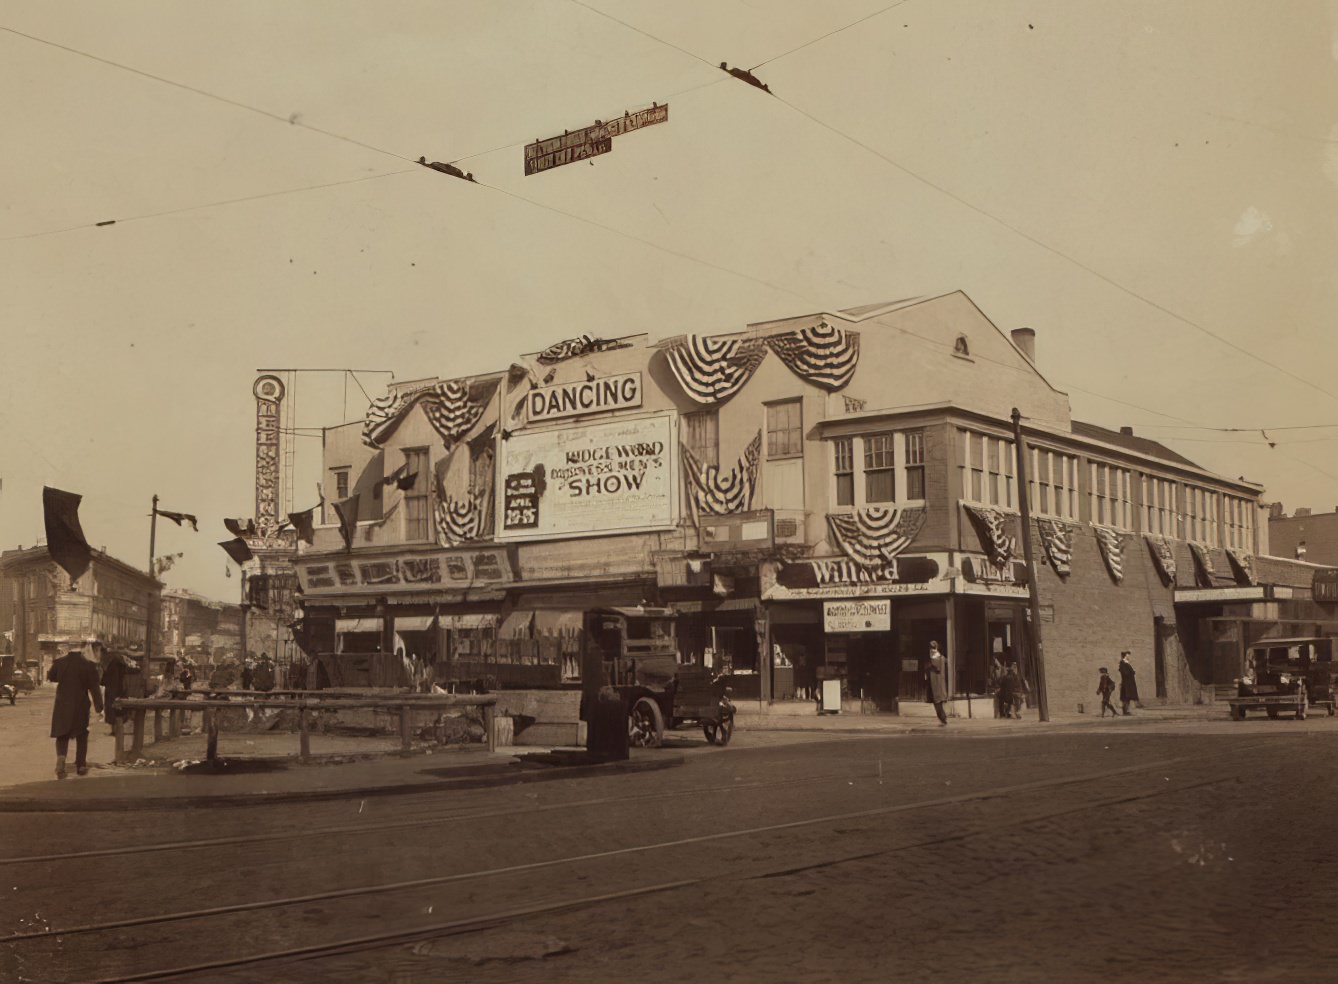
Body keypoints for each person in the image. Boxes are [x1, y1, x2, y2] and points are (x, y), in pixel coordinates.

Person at [48, 645, 103, 778]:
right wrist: (99, 707)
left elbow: (51, 676)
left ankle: (61, 762)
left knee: (62, 735)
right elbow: (95, 688)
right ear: (83, 650)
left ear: (68, 650)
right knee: (82, 734)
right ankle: (81, 765)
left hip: (62, 704)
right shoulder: (89, 665)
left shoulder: (60, 663)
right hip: (80, 704)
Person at [99, 646, 129, 735]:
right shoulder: (119, 664)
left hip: (113, 691)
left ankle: (115, 731)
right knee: (117, 711)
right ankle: (116, 731)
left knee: (113, 711)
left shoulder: (113, 665)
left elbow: (107, 680)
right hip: (119, 690)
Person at [926, 640, 948, 726]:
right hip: (936, 682)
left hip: (936, 683)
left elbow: (936, 667)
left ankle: (943, 718)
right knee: (937, 702)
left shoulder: (936, 657)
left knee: (937, 701)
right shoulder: (940, 657)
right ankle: (942, 718)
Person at [1118, 651, 1139, 715]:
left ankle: (1126, 710)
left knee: (1128, 697)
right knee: (1126, 697)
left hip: (1129, 682)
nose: (1128, 657)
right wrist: (1131, 672)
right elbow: (1125, 673)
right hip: (1126, 683)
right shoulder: (1123, 663)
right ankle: (1125, 711)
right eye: (1127, 655)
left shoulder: (1126, 663)